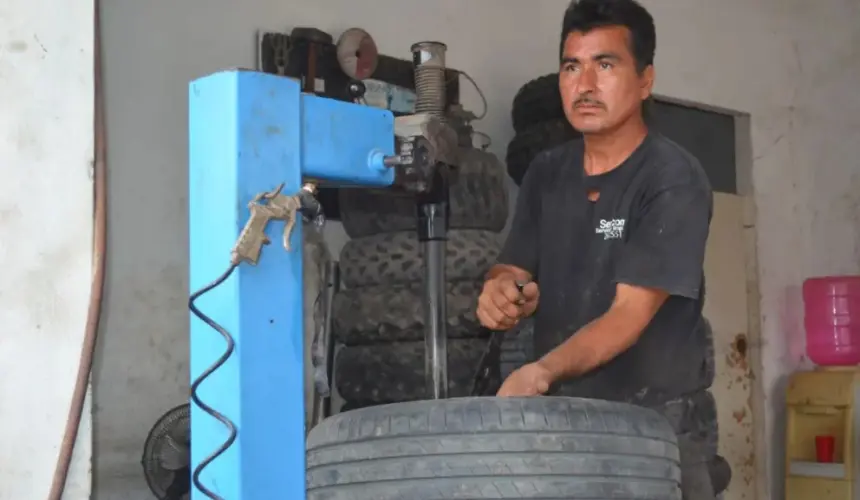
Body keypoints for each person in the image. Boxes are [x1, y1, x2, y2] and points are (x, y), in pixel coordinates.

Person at [476, 0, 722, 498]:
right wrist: (502, 291)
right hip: (566, 423)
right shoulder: (547, 173)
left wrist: (541, 371)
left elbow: (628, 315)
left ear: (646, 79)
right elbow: (513, 265)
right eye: (572, 67)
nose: (584, 85)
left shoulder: (672, 177)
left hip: (657, 428)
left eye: (605, 65)